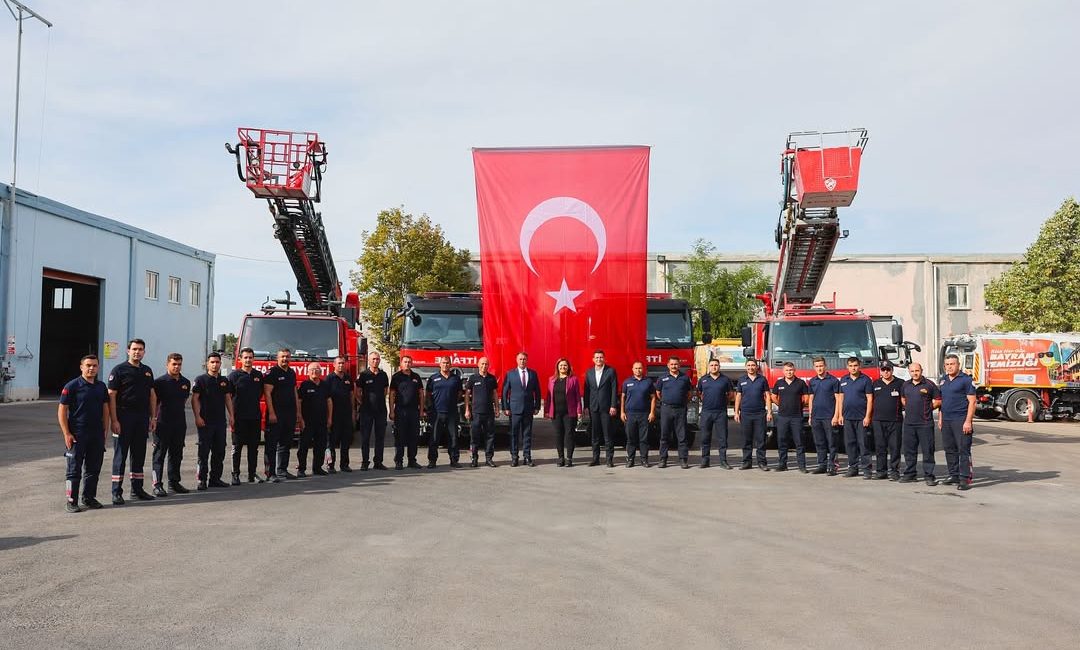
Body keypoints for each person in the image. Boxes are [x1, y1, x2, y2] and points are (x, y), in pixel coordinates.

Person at [107, 338, 158, 504]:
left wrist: (153, 417)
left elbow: (152, 395)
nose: (137, 352)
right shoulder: (119, 370)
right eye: (134, 349)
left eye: (140, 349)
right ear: (128, 351)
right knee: (120, 456)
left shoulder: (147, 371)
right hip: (123, 417)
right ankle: (116, 492)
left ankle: (137, 490)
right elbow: (111, 396)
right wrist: (114, 420)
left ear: (144, 352)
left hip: (142, 418)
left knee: (139, 455)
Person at [58, 355, 110, 512]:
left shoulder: (101, 387)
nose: (91, 368)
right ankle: (71, 500)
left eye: (94, 365)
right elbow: (62, 409)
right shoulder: (72, 386)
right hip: (77, 434)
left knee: (93, 468)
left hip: (96, 434)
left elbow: (105, 409)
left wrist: (104, 431)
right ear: (81, 367)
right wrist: (67, 433)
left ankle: (89, 498)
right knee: (74, 469)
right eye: (88, 365)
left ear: (98, 367)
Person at [191, 352, 235, 490]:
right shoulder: (201, 380)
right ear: (207, 364)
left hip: (220, 422)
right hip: (205, 422)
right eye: (212, 362)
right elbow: (195, 399)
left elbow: (228, 398)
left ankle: (215, 479)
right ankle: (202, 480)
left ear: (220, 364)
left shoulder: (224, 381)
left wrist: (231, 415)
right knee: (203, 452)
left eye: (217, 362)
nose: (215, 364)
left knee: (219, 451)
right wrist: (198, 417)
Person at [151, 353, 191, 495]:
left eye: (179, 364)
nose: (176, 367)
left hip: (179, 424)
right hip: (162, 424)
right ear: (167, 364)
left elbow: (183, 401)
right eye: (174, 364)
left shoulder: (185, 383)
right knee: (159, 455)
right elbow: (154, 403)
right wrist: (153, 419)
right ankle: (157, 484)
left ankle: (174, 483)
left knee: (176, 454)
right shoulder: (159, 382)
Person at [939, 353, 977, 490]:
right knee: (949, 449)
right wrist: (941, 419)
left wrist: (968, 421)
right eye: (947, 364)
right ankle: (953, 475)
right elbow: (942, 402)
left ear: (958, 365)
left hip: (961, 419)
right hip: (947, 420)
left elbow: (972, 402)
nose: (949, 367)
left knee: (963, 450)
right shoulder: (943, 380)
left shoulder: (966, 380)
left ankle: (964, 478)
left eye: (952, 364)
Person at [263, 348, 302, 483]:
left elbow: (295, 393)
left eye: (287, 356)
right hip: (276, 414)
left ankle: (282, 470)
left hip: (289, 414)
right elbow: (267, 393)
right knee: (271, 444)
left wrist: (297, 413)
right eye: (282, 357)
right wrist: (272, 413)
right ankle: (270, 473)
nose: (285, 359)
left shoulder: (291, 373)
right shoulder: (272, 373)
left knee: (286, 443)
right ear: (277, 358)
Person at [899, 362, 941, 486]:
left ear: (921, 370)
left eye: (917, 370)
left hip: (925, 423)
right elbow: (903, 398)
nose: (915, 373)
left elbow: (938, 401)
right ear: (909, 372)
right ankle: (910, 474)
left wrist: (928, 408)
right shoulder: (905, 385)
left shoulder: (929, 385)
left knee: (928, 450)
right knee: (909, 451)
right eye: (912, 371)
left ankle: (929, 475)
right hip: (909, 424)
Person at [227, 347, 265, 483]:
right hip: (238, 418)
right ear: (240, 359)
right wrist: (231, 416)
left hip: (254, 417)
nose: (248, 360)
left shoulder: (258, 376)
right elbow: (228, 397)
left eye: (250, 357)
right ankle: (235, 475)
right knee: (237, 448)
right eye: (245, 357)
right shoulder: (233, 376)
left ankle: (252, 474)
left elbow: (260, 393)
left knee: (253, 448)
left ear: (253, 359)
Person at [502, 351, 541, 467]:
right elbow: (505, 392)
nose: (522, 361)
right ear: (516, 360)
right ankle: (514, 457)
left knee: (527, 434)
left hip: (528, 409)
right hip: (514, 409)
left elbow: (537, 391)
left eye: (524, 359)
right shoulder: (510, 374)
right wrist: (505, 407)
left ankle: (527, 457)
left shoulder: (533, 374)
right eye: (520, 359)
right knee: (514, 434)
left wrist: (537, 406)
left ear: (527, 360)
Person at [837, 357, 874, 478]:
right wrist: (840, 415)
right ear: (847, 367)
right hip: (847, 417)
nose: (853, 368)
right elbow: (841, 398)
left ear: (859, 366)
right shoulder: (843, 379)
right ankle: (853, 468)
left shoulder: (866, 380)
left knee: (863, 444)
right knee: (850, 444)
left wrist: (868, 416)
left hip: (861, 417)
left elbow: (869, 399)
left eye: (855, 365)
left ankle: (867, 470)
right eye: (851, 365)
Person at [770, 361, 809, 472]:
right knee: (782, 441)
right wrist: (781, 405)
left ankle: (802, 466)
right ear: (783, 371)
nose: (789, 372)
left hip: (796, 417)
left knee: (799, 442)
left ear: (794, 370)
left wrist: (799, 405)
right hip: (783, 417)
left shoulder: (800, 383)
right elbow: (773, 397)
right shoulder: (779, 383)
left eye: (791, 370)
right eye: (787, 370)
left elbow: (806, 398)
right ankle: (782, 464)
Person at [583, 349, 619, 467]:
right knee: (595, 434)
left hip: (606, 407)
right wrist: (586, 406)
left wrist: (613, 405)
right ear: (593, 359)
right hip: (594, 407)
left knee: (607, 434)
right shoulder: (589, 372)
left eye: (601, 357)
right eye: (597, 357)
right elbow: (586, 391)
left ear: (604, 359)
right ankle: (595, 458)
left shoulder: (610, 371)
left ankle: (609, 459)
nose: (599, 359)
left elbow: (614, 389)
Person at [734, 358, 771, 471]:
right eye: (749, 365)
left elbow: (767, 396)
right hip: (745, 414)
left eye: (753, 365)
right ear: (746, 367)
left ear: (756, 367)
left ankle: (762, 462)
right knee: (746, 439)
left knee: (761, 440)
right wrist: (736, 412)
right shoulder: (741, 380)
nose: (751, 367)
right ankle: (746, 462)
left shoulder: (762, 379)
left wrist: (769, 411)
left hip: (760, 414)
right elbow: (738, 396)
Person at [426, 357, 464, 469]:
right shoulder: (433, 378)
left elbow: (459, 393)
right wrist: (429, 408)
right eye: (443, 363)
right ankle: (432, 461)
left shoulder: (456, 378)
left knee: (453, 437)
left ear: (450, 364)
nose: (445, 365)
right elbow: (428, 395)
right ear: (439, 364)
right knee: (434, 438)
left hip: (451, 413)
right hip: (437, 413)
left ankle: (454, 460)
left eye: (447, 363)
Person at [656, 356, 693, 469]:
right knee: (664, 435)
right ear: (668, 365)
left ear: (679, 365)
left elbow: (689, 394)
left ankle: (683, 459)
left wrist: (681, 403)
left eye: (676, 364)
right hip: (666, 409)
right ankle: (663, 459)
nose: (674, 366)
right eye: (671, 364)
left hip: (680, 409)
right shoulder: (662, 378)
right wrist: (665, 402)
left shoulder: (685, 378)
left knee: (682, 436)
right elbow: (658, 393)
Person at [697, 359, 734, 469]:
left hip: (721, 413)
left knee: (722, 438)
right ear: (709, 367)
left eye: (716, 365)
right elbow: (700, 394)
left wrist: (722, 402)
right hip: (706, 412)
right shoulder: (703, 380)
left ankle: (723, 461)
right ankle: (705, 461)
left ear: (719, 366)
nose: (714, 367)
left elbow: (731, 395)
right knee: (705, 437)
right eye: (712, 365)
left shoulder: (725, 380)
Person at [389, 355, 424, 470]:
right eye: (405, 362)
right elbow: (392, 395)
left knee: (413, 437)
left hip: (414, 411)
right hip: (400, 410)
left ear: (412, 363)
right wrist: (392, 411)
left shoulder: (416, 377)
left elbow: (421, 395)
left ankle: (412, 460)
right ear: (401, 363)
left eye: (409, 362)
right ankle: (399, 461)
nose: (407, 364)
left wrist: (421, 410)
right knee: (400, 437)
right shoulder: (396, 377)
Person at [807, 357, 841, 475]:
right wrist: (811, 416)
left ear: (825, 366)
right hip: (816, 416)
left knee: (831, 442)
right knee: (819, 442)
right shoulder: (812, 381)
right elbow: (811, 398)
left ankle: (833, 466)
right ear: (814, 368)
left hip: (829, 416)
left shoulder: (833, 381)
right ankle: (822, 465)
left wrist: (836, 416)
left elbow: (838, 399)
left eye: (821, 366)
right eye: (817, 366)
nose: (819, 368)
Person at [297, 362, 332, 477]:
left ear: (320, 372)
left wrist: (329, 417)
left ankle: (317, 468)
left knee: (320, 446)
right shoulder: (304, 385)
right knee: (303, 446)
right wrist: (300, 418)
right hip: (307, 422)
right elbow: (299, 402)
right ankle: (301, 469)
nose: (314, 372)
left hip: (321, 421)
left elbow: (329, 401)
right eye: (312, 370)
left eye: (317, 369)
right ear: (308, 372)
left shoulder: (324, 385)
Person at [871, 361, 904, 480]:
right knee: (880, 447)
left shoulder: (900, 383)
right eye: (883, 369)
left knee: (895, 447)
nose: (886, 372)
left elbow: (905, 400)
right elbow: (870, 401)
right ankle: (881, 471)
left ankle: (895, 471)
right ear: (880, 370)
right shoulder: (875, 384)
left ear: (892, 370)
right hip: (878, 420)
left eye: (888, 369)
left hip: (895, 420)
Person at [546, 358, 581, 467]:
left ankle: (569, 458)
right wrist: (547, 410)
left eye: (565, 365)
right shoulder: (552, 379)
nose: (563, 367)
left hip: (569, 413)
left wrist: (579, 411)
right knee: (558, 435)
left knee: (569, 435)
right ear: (557, 367)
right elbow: (548, 396)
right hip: (556, 413)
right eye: (561, 365)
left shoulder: (573, 379)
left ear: (568, 367)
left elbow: (577, 397)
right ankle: (561, 458)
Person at [464, 357, 499, 468]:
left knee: (490, 436)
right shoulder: (473, 378)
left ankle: (489, 459)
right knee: (475, 437)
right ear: (478, 365)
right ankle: (474, 459)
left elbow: (495, 394)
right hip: (476, 413)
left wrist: (497, 408)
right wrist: (467, 409)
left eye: (486, 364)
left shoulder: (492, 379)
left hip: (489, 413)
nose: (484, 366)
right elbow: (467, 395)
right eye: (482, 364)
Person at [357, 351, 390, 470]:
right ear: (369, 361)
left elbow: (386, 390)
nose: (375, 361)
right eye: (373, 359)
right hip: (367, 411)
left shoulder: (383, 375)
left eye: (377, 359)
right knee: (365, 437)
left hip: (380, 410)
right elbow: (358, 392)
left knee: (380, 437)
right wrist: (363, 402)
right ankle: (365, 462)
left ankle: (378, 462)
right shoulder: (364, 375)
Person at [620, 361, 656, 468]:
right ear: (632, 369)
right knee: (631, 438)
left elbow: (653, 397)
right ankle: (630, 459)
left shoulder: (648, 382)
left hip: (644, 414)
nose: (638, 370)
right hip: (630, 414)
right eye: (636, 368)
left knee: (643, 439)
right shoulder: (627, 382)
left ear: (643, 369)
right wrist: (622, 412)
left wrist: (652, 412)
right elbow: (623, 397)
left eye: (640, 368)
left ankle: (644, 459)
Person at [325, 356, 356, 472]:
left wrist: (353, 411)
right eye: (339, 363)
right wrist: (328, 416)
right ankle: (330, 465)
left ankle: (344, 465)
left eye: (343, 363)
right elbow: (327, 398)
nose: (341, 365)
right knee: (331, 442)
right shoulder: (329, 379)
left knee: (346, 441)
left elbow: (352, 395)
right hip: (334, 415)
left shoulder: (348, 378)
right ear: (334, 365)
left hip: (346, 414)